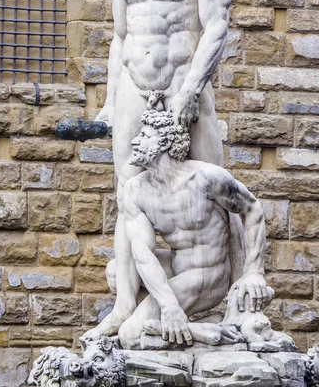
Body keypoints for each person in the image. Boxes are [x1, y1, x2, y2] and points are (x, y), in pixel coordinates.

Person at [84, 0, 243, 340]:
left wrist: (192, 92)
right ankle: (123, 305)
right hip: (134, 85)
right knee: (128, 193)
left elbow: (216, 27)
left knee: (216, 190)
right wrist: (112, 101)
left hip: (184, 83)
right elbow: (119, 35)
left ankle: (236, 300)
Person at [117, 109, 273, 350]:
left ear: (165, 141)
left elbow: (252, 208)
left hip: (207, 275)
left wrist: (253, 271)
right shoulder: (135, 190)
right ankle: (196, 328)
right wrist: (169, 306)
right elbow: (142, 252)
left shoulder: (206, 178)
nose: (135, 141)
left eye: (145, 135)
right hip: (177, 266)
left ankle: (165, 323)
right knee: (114, 272)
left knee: (129, 335)